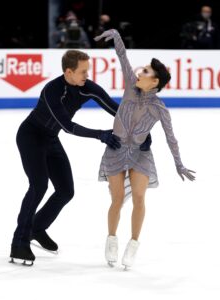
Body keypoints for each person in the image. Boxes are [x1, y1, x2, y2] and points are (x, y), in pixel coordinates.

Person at [10, 49, 152, 265]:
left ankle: (36, 228)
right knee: (38, 185)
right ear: (68, 72)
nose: (87, 76)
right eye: (83, 72)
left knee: (66, 191)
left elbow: (114, 107)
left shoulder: (86, 87)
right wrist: (101, 135)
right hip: (31, 136)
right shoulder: (52, 90)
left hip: (50, 139)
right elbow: (67, 126)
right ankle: (18, 243)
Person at [94, 29, 196, 270]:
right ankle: (111, 240)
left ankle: (133, 245)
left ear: (155, 81)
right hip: (115, 150)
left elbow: (171, 138)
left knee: (139, 197)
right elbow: (122, 56)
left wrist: (178, 163)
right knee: (117, 199)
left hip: (140, 155)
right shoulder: (131, 86)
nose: (140, 72)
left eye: (146, 71)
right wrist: (117, 35)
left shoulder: (160, 109)